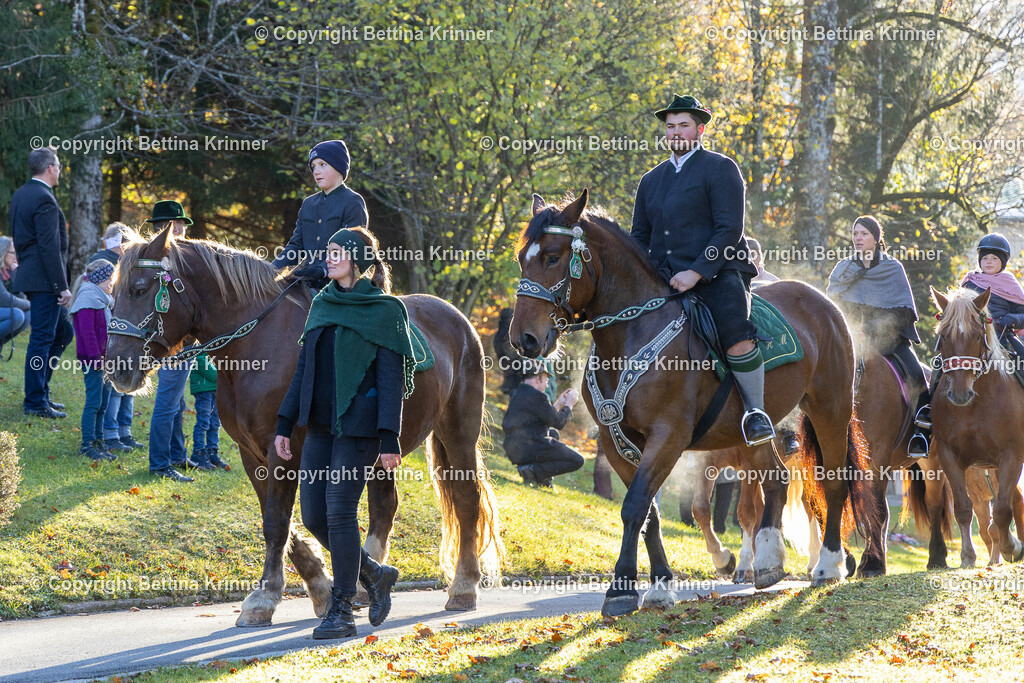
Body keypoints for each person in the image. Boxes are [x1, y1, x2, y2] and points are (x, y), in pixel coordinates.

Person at [275, 226, 411, 639]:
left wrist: (390, 439)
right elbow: (304, 370)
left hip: (361, 428)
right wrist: (284, 422)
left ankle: (342, 609)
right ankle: (375, 573)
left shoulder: (385, 310)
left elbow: (391, 379)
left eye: (336, 253)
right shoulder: (322, 303)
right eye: (328, 252)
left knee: (339, 512)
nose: (328, 258)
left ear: (357, 260)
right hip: (319, 426)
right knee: (314, 515)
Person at [631, 94, 774, 446]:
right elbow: (638, 238)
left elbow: (729, 230)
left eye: (683, 125)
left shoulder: (721, 168)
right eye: (670, 126)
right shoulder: (651, 180)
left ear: (700, 129)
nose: (676, 131)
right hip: (665, 279)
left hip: (720, 271)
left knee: (736, 332)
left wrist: (696, 273)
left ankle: (755, 412)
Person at [826, 215, 929, 456]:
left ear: (876, 238)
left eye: (864, 234)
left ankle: (921, 433)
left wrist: (873, 328)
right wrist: (852, 328)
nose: (858, 238)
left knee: (915, 374)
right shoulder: (843, 268)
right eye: (855, 233)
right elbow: (831, 308)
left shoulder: (892, 268)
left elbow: (903, 312)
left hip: (888, 341)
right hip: (850, 340)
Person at [9, 147, 75, 419]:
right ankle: (35, 401)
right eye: (58, 165)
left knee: (62, 333)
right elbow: (50, 247)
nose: (59, 170)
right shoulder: (44, 198)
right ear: (49, 168)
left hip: (33, 274)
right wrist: (62, 286)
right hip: (45, 278)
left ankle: (41, 392)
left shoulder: (21, 194)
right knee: (42, 338)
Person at [272, 140, 370, 291]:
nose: (316, 171)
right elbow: (296, 246)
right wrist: (269, 271)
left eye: (322, 164)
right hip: (307, 282)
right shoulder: (308, 204)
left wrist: (322, 270)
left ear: (339, 168)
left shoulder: (353, 201)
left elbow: (352, 248)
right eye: (313, 167)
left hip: (341, 285)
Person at [145, 201, 195, 482]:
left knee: (175, 401)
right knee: (168, 402)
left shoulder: (167, 256)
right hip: (173, 343)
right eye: (180, 224)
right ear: (169, 226)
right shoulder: (167, 260)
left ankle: (176, 454)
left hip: (180, 342)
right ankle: (160, 463)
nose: (183, 229)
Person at [501, 360, 585, 488]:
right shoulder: (538, 396)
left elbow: (546, 418)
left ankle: (542, 478)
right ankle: (533, 471)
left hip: (514, 447)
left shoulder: (518, 392)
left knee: (552, 433)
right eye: (546, 381)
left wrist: (558, 404)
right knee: (578, 460)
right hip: (528, 447)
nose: (546, 385)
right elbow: (559, 423)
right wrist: (569, 404)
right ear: (538, 378)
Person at [70, 260, 117, 461]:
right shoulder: (88, 298)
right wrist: (96, 359)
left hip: (106, 360)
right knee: (94, 402)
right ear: (99, 278)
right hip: (94, 361)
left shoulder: (104, 299)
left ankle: (99, 441)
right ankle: (87, 444)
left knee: (104, 403)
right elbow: (87, 333)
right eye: (108, 279)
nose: (111, 283)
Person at [189, 352, 226, 471]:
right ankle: (198, 453)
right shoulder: (199, 347)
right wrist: (221, 375)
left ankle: (212, 452)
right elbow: (201, 362)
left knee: (215, 423)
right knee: (203, 421)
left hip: (215, 389)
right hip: (203, 389)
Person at [0, 236, 30, 348]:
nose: (15, 257)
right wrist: (30, 304)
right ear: (3, 252)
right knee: (17, 315)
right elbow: (4, 300)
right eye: (13, 253)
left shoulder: (8, 271)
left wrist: (18, 273)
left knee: (28, 315)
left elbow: (21, 295)